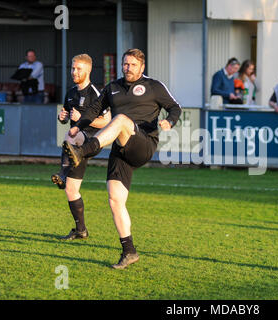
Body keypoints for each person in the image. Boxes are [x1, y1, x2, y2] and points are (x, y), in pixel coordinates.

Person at [63, 48, 181, 269]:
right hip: (120, 149)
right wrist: (77, 126)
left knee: (120, 120)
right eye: (125, 64)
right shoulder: (113, 87)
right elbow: (93, 110)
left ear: (142, 67)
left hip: (143, 143)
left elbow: (175, 107)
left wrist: (170, 122)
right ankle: (129, 251)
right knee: (115, 200)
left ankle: (83, 152)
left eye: (133, 65)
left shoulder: (153, 86)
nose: (128, 68)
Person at [52, 53, 111, 240]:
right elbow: (66, 117)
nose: (74, 72)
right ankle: (81, 230)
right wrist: (63, 118)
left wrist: (83, 120)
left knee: (72, 134)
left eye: (78, 69)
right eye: (72, 68)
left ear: (88, 70)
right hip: (75, 147)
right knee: (71, 189)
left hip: (92, 140)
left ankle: (62, 173)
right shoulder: (70, 93)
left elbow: (107, 122)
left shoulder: (96, 93)